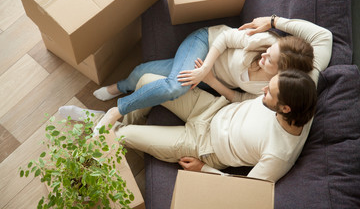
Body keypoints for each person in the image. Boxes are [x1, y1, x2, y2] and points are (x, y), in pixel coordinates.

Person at [60, 69, 317, 182]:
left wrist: (204, 169)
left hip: (204, 146)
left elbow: (248, 192)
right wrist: (210, 78)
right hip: (211, 108)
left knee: (124, 135)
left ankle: (106, 124)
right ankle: (114, 119)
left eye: (269, 93)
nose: (262, 91)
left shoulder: (279, 155)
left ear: (285, 109)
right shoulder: (302, 96)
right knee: (147, 82)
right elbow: (322, 39)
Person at [91, 16, 332, 123]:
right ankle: (118, 106)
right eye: (271, 50)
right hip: (205, 44)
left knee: (146, 73)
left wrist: (210, 78)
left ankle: (121, 87)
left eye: (270, 60)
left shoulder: (271, 89)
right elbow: (225, 38)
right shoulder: (265, 41)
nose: (265, 55)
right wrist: (205, 67)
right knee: (176, 86)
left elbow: (239, 98)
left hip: (209, 75)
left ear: (281, 74)